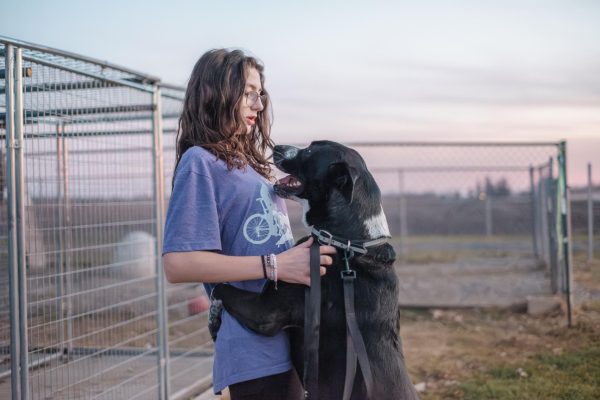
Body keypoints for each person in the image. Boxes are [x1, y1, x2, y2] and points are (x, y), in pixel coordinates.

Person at [162, 49, 336, 400]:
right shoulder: (200, 162)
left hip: (290, 335)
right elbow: (178, 264)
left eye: (261, 94)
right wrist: (276, 265)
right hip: (253, 347)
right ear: (216, 92)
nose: (258, 105)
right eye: (248, 93)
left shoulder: (252, 165)